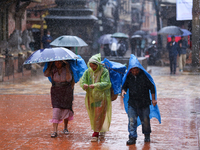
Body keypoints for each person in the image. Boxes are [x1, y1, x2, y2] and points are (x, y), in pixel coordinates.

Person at [121, 54, 161, 145]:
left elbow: (151, 87)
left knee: (145, 120)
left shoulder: (144, 76)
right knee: (131, 120)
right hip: (132, 103)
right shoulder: (129, 76)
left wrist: (153, 99)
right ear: (130, 70)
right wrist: (123, 91)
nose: (134, 72)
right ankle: (132, 137)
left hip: (144, 102)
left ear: (139, 69)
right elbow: (124, 86)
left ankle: (147, 135)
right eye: (133, 70)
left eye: (136, 70)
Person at [80, 53, 112, 142]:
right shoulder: (88, 72)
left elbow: (107, 84)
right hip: (91, 98)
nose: (92, 68)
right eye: (90, 66)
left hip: (102, 97)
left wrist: (96, 85)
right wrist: (84, 85)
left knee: (98, 115)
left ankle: (95, 133)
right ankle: (100, 129)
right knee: (94, 115)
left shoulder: (104, 71)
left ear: (97, 65)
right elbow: (82, 81)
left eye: (94, 66)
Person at [44, 60, 75, 138]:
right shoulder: (53, 69)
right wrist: (50, 65)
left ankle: (65, 128)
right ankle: (55, 131)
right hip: (56, 91)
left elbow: (69, 79)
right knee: (56, 109)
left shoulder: (67, 69)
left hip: (66, 91)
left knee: (66, 109)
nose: (57, 64)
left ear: (63, 63)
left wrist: (67, 68)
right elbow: (46, 74)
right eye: (56, 62)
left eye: (59, 62)